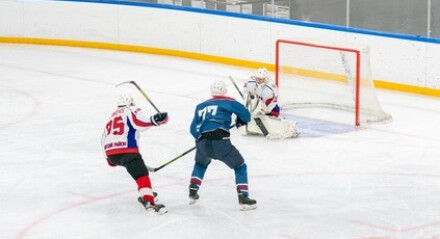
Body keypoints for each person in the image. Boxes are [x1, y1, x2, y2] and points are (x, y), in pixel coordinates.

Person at [188, 80, 257, 211]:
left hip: (202, 141)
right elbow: (246, 116)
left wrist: (200, 140)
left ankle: (192, 191)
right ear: (224, 91)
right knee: (240, 166)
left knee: (200, 164)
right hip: (221, 141)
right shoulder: (229, 101)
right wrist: (240, 120)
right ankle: (243, 198)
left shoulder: (200, 106)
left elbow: (193, 129)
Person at [101, 93, 169, 215]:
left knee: (135, 167)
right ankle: (148, 202)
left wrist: (109, 159)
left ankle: (146, 192)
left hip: (111, 153)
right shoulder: (130, 109)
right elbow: (139, 123)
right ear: (131, 102)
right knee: (142, 174)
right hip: (127, 150)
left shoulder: (111, 116)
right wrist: (156, 120)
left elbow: (104, 138)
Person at [242, 67, 299, 139]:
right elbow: (245, 93)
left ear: (266, 79)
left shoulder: (271, 89)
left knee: (273, 114)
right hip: (255, 103)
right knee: (248, 110)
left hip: (268, 106)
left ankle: (284, 128)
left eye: (261, 79)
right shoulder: (250, 82)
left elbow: (272, 104)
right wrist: (247, 102)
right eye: (258, 78)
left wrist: (263, 110)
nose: (259, 81)